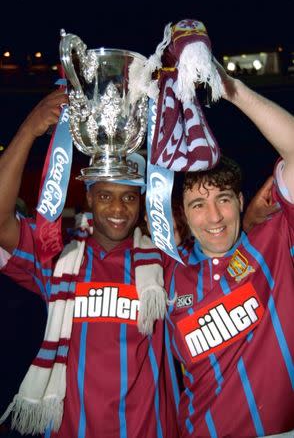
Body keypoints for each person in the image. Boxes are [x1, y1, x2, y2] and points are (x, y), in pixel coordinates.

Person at [0, 90, 179, 438]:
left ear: (141, 203)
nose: (117, 209)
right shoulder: (57, 258)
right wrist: (29, 129)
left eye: (129, 197)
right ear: (89, 198)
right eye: (106, 196)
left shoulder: (163, 262)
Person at [138, 61, 294, 437]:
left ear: (240, 200)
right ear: (183, 216)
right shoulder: (169, 272)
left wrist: (231, 89)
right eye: (197, 205)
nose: (214, 217)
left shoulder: (275, 240)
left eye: (223, 199)